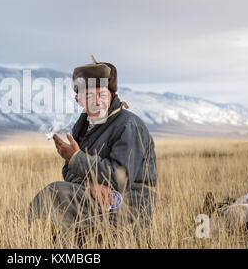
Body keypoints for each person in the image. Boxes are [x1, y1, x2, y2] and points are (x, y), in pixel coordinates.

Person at [28, 56, 157, 244]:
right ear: (78, 99)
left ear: (112, 95)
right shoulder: (83, 127)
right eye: (89, 96)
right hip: (96, 203)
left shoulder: (128, 125)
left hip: (128, 210)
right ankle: (32, 238)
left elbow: (121, 177)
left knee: (54, 192)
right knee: (60, 242)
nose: (97, 101)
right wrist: (89, 183)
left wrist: (77, 158)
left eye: (102, 95)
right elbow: (68, 170)